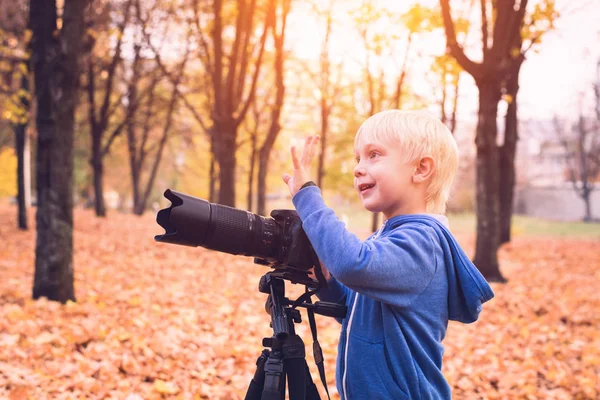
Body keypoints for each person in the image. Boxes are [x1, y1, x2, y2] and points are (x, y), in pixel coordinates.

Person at [282, 110, 494, 400]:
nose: (358, 168)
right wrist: (327, 282)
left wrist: (307, 195)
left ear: (420, 169)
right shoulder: (390, 239)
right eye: (358, 158)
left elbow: (352, 264)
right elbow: (357, 313)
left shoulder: (422, 242)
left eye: (374, 155)